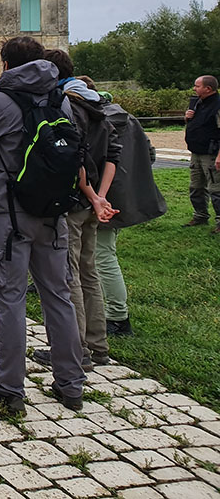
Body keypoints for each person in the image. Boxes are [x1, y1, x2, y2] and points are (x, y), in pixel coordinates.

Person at [0, 37, 87, 413]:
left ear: (5, 64)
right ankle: (71, 384)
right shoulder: (59, 98)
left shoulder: (1, 101)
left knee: (10, 299)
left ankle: (9, 388)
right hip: (53, 212)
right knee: (58, 296)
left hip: (11, 215)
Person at [31, 50, 119, 373]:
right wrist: (102, 198)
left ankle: (76, 348)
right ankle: (99, 346)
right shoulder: (99, 105)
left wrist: (92, 195)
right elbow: (113, 155)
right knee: (89, 272)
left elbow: (74, 158)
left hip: (74, 201)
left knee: (69, 277)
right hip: (95, 204)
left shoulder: (68, 105)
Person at [75, 77, 166, 338]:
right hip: (121, 193)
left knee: (102, 256)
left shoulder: (95, 120)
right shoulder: (126, 116)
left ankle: (117, 316)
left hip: (99, 196)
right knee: (99, 253)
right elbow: (150, 154)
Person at [184, 75, 220, 231]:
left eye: (197, 86)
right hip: (196, 152)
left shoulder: (217, 105)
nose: (194, 88)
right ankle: (200, 215)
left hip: (211, 153)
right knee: (196, 186)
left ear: (208, 88)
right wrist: (187, 118)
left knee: (216, 189)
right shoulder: (198, 102)